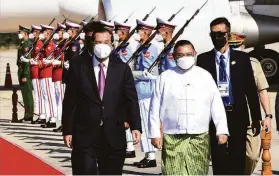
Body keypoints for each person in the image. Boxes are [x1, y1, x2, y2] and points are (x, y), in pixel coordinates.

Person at [62, 26, 142, 175]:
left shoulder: (121, 68)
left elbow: (131, 99)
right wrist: (67, 130)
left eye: (106, 42)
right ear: (92, 44)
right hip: (85, 134)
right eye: (98, 42)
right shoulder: (79, 66)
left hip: (113, 134)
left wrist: (135, 126)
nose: (102, 46)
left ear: (112, 44)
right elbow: (70, 101)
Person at [149, 40, 229, 175]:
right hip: (172, 137)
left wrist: (222, 130)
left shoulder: (204, 76)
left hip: (199, 136)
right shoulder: (165, 77)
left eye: (189, 54)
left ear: (195, 54)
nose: (185, 58)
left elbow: (216, 104)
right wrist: (155, 134)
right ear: (174, 57)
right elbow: (154, 108)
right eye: (180, 55)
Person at [196, 17, 262, 175]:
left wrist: (256, 117)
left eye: (220, 34)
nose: (216, 37)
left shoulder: (242, 59)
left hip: (237, 114)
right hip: (214, 117)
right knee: (218, 159)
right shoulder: (203, 60)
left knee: (237, 158)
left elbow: (251, 90)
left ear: (228, 35)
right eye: (213, 34)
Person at [229, 32, 272, 175]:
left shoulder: (253, 63)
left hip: (249, 116)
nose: (234, 49)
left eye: (237, 46)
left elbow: (262, 90)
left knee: (252, 156)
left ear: (243, 45)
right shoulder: (222, 63)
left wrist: (268, 116)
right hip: (228, 115)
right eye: (231, 46)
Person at [132, 19, 163, 168]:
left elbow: (155, 71)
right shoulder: (141, 48)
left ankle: (151, 156)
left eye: (139, 30)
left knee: (147, 123)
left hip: (147, 91)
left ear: (146, 32)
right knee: (143, 124)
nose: (137, 33)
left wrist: (136, 74)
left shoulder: (153, 48)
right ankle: (147, 154)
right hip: (140, 90)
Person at [113, 20, 140, 158]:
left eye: (117, 31)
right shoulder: (120, 46)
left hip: (128, 84)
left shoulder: (131, 47)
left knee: (127, 116)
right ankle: (128, 146)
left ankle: (130, 146)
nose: (116, 34)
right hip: (119, 85)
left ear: (123, 32)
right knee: (122, 116)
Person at [38, 24, 57, 128]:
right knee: (45, 96)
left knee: (49, 96)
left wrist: (44, 61)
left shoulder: (50, 45)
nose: (42, 34)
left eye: (44, 32)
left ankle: (52, 118)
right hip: (42, 72)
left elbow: (50, 60)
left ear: (48, 34)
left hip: (47, 73)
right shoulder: (45, 44)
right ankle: (49, 117)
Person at [17, 25, 34, 122]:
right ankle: (27, 114)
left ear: (25, 33)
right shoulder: (23, 44)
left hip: (25, 73)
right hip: (21, 71)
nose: (19, 34)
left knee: (27, 94)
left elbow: (27, 62)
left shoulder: (28, 45)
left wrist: (24, 75)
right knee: (24, 94)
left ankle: (29, 115)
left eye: (20, 32)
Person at [29, 25, 46, 124]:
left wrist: (33, 61)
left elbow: (39, 58)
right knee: (38, 94)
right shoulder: (35, 43)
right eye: (33, 31)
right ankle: (41, 114)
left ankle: (41, 115)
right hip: (34, 70)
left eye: (35, 32)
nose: (33, 33)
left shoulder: (38, 43)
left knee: (38, 94)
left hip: (36, 70)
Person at [52, 23, 67, 132]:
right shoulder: (58, 45)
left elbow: (64, 61)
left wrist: (58, 62)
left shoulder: (65, 45)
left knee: (62, 101)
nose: (57, 34)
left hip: (61, 75)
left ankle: (65, 124)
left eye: (59, 32)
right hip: (56, 75)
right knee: (58, 100)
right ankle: (61, 123)